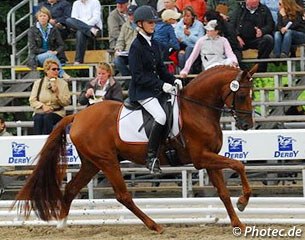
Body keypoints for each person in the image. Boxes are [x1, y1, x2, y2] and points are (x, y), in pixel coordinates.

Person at [128, 5, 183, 174]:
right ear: (140, 24)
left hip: (155, 89)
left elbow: (161, 70)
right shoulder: (136, 46)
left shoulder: (155, 44)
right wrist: (161, 85)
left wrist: (174, 80)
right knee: (160, 116)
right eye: (150, 22)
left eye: (154, 22)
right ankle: (151, 158)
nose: (154, 25)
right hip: (142, 91)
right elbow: (138, 76)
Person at [229, 0, 274, 72]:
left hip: (256, 39)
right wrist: (237, 36)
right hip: (241, 39)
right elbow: (231, 25)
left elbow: (270, 25)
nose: (250, 7)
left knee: (268, 39)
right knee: (231, 42)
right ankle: (240, 70)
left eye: (253, 5)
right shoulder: (239, 9)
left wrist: (262, 31)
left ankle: (260, 67)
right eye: (249, 5)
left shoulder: (264, 9)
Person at [29, 59, 71, 135]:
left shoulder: (63, 83)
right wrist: (42, 106)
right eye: (53, 69)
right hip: (41, 111)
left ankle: (48, 141)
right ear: (46, 71)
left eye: (58, 69)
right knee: (37, 118)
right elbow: (32, 100)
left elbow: (66, 102)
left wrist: (57, 93)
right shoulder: (38, 83)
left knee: (47, 118)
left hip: (57, 112)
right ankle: (37, 141)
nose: (56, 71)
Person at [28, 7, 70, 80]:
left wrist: (56, 52)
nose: (42, 18)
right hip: (37, 57)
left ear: (48, 17)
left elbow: (62, 45)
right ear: (37, 18)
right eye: (40, 16)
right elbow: (33, 48)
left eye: (44, 16)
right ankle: (62, 74)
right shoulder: (32, 30)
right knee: (50, 55)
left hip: (52, 56)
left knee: (51, 56)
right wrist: (47, 52)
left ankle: (56, 79)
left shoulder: (53, 29)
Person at [65, 0, 103, 64]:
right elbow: (74, 18)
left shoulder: (95, 2)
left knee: (80, 32)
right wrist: (89, 28)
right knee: (68, 20)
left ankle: (78, 61)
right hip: (92, 29)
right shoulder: (76, 3)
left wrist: (82, 25)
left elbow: (96, 18)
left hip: (95, 27)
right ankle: (78, 60)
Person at [175, 6, 204, 71]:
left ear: (193, 17)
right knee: (181, 56)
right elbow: (176, 37)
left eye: (188, 16)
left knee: (189, 49)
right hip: (182, 48)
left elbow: (201, 41)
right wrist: (181, 48)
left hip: (195, 48)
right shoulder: (179, 25)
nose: (185, 18)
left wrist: (190, 35)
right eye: (184, 16)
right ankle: (185, 77)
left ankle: (188, 73)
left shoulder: (199, 25)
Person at [113, 4, 138, 80]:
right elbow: (120, 40)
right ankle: (129, 80)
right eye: (129, 15)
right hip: (127, 52)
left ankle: (131, 81)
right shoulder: (125, 26)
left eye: (133, 14)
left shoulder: (142, 25)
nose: (131, 17)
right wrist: (118, 48)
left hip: (138, 53)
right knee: (117, 60)